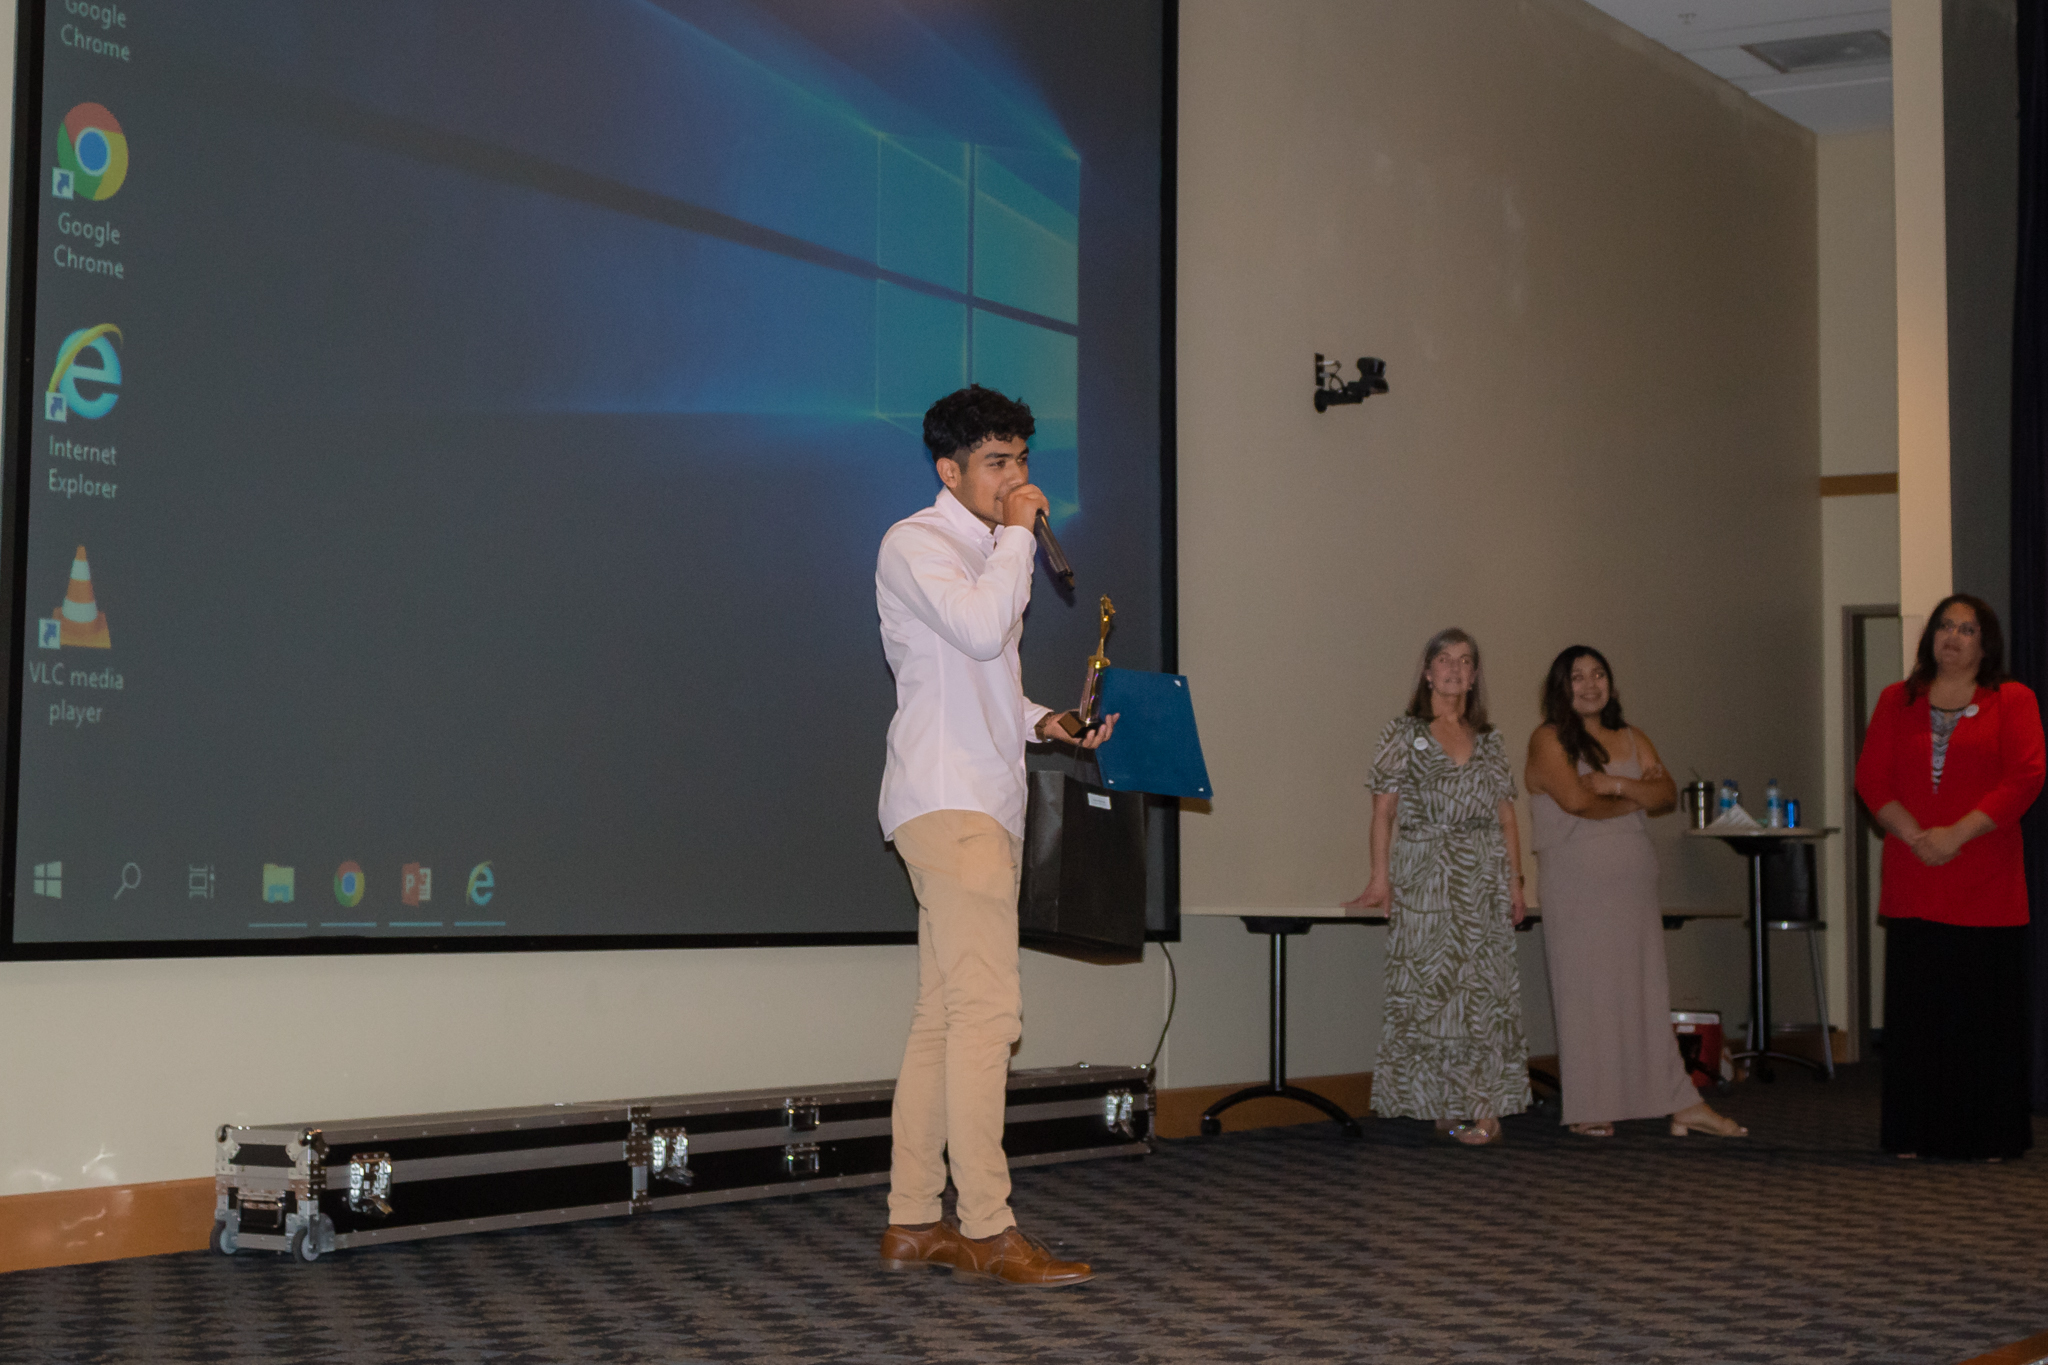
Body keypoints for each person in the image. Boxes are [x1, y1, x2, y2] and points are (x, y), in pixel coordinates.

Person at [873, 384, 1116, 1284]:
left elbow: (985, 686)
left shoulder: (985, 552)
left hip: (976, 800)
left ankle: (910, 1218)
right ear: (950, 470)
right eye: (997, 463)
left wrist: (1047, 720)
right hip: (952, 803)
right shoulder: (917, 542)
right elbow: (980, 632)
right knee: (988, 1015)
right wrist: (1019, 535)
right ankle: (987, 1226)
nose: (1018, 479)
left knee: (943, 1016)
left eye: (1022, 460)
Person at [1523, 646, 1746, 1139]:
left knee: (1645, 990)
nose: (1590, 685)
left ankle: (1680, 1102)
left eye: (1598, 674)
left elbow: (1665, 794)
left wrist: (1615, 785)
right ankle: (1590, 1104)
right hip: (1577, 883)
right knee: (1586, 992)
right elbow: (1577, 801)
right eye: (1577, 677)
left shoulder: (1632, 736)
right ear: (1560, 687)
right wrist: (1633, 796)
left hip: (1632, 880)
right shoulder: (1549, 739)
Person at [1854, 594, 2043, 1161]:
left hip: (1984, 885)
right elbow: (1871, 780)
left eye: (1967, 629)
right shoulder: (1897, 700)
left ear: (1986, 644)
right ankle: (1913, 1133)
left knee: (1983, 1019)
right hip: (1915, 879)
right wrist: (1917, 836)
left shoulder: (2012, 699)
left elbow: (2026, 776)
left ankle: (1990, 1136)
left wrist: (1956, 834)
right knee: (1918, 1019)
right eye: (1945, 626)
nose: (1953, 637)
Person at [1354, 628, 1530, 1145]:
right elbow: (1383, 812)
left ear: (1474, 677)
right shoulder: (1402, 733)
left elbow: (1507, 817)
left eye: (1465, 661)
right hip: (1424, 876)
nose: (1455, 669)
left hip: (1483, 877)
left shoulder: (1490, 740)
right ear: (1428, 673)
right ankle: (1443, 1105)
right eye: (1444, 659)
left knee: (1482, 993)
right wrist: (1381, 879)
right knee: (1431, 993)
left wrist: (1515, 883)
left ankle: (1483, 1108)